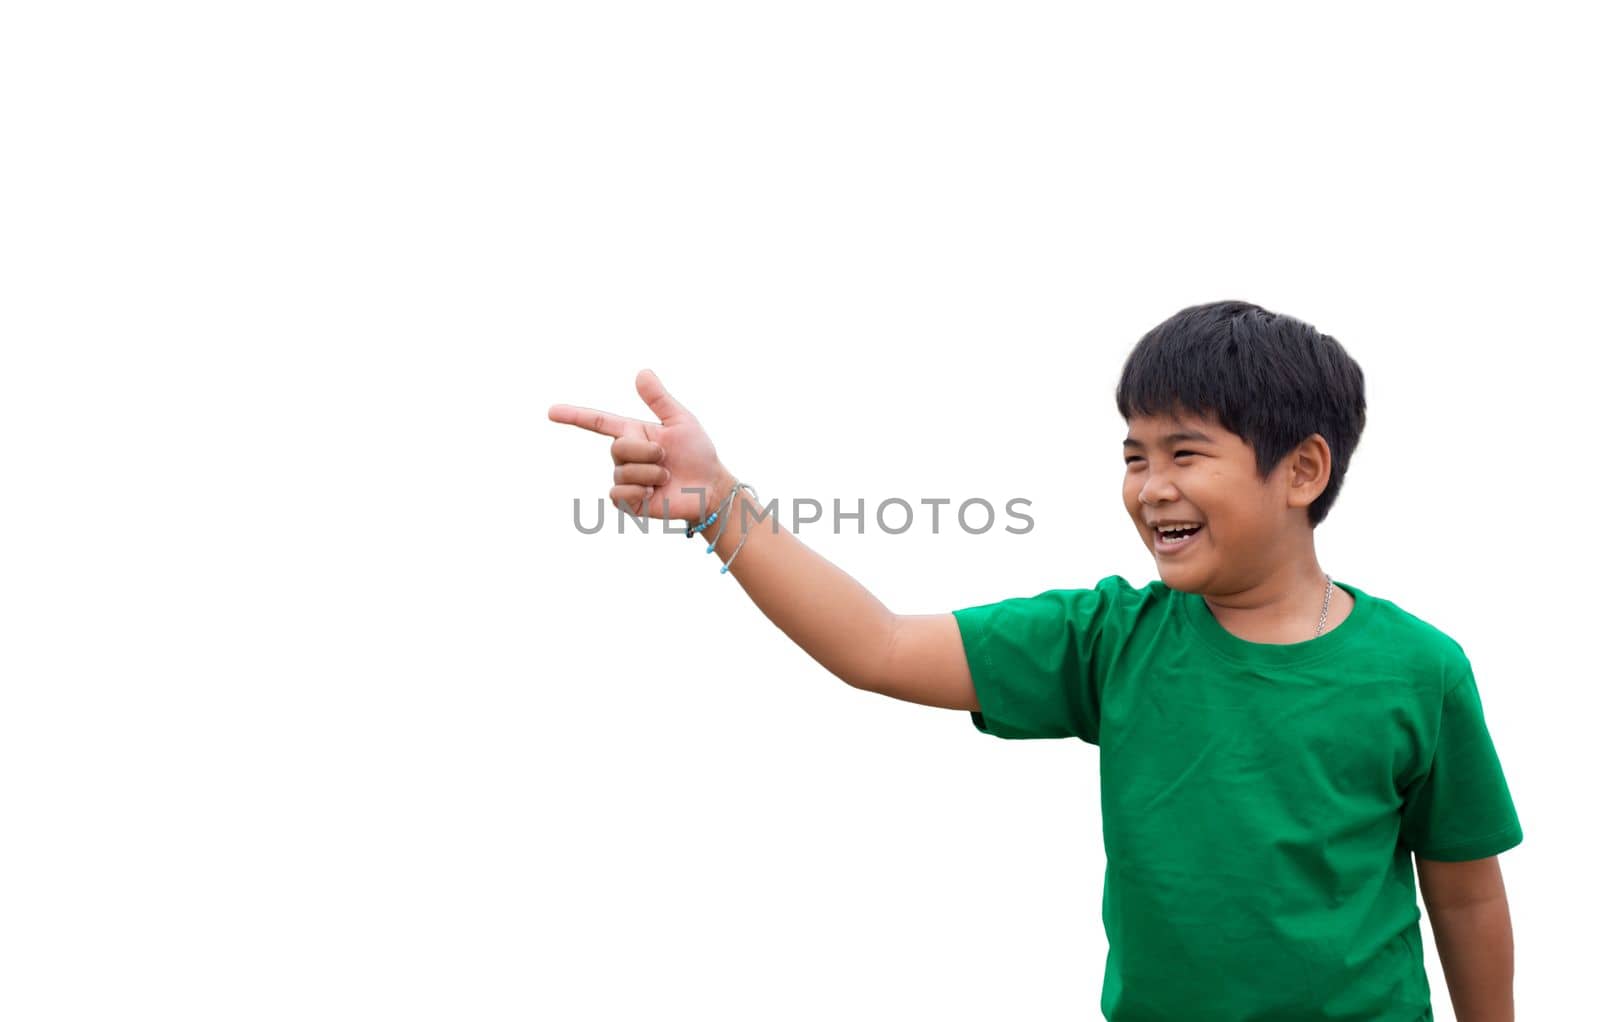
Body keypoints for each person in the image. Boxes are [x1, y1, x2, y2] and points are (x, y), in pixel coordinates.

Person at [547, 300, 1521, 1021]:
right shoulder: (1107, 637)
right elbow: (876, 643)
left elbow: (1466, 892)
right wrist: (720, 502)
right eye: (1134, 455)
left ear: (1301, 469)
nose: (1149, 487)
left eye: (1185, 452)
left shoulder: (1418, 669)